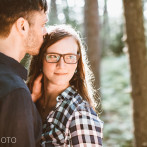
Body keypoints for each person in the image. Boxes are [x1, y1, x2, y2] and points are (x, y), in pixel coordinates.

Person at [28, 24, 103, 147]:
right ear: (40, 59)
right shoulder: (31, 100)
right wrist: (30, 101)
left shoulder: (80, 114)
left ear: (77, 63)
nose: (61, 65)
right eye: (53, 56)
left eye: (70, 57)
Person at [0, 0, 48, 146]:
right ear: (22, 26)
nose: (45, 32)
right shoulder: (15, 92)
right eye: (42, 25)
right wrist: (19, 101)